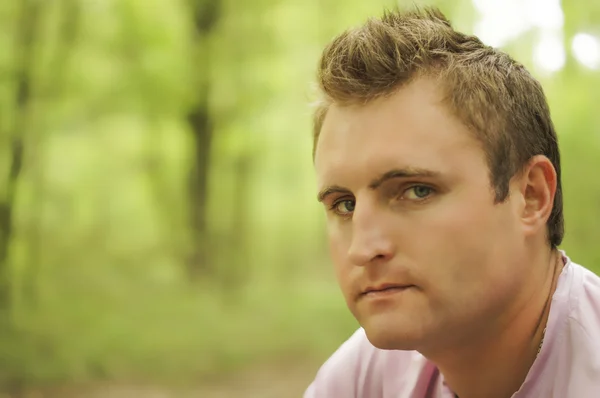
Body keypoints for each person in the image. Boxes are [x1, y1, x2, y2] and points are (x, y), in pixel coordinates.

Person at [304, 6, 600, 398]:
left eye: (416, 190)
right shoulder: (364, 379)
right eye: (345, 204)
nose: (363, 248)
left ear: (531, 196)